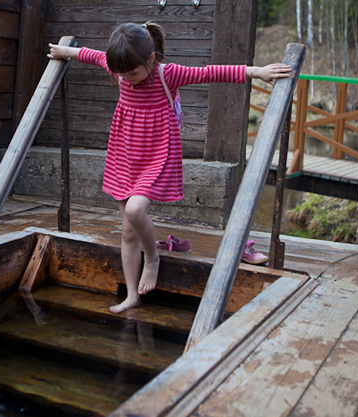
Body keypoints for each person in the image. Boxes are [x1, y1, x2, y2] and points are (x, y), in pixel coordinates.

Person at [48, 22, 292, 313]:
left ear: (151, 59)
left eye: (132, 73)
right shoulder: (120, 67)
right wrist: (65, 51)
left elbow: (211, 73)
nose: (127, 79)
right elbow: (90, 55)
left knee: (136, 210)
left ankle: (152, 258)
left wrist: (257, 71)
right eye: (121, 74)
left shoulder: (167, 74)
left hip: (155, 156)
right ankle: (132, 295)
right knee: (127, 231)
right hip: (124, 155)